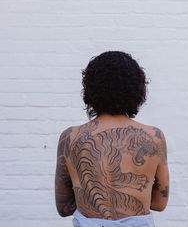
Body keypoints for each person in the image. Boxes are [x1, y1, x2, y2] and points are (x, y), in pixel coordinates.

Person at [55, 51, 169, 227]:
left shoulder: (70, 137)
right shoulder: (154, 137)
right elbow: (159, 204)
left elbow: (64, 207)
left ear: (90, 88)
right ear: (137, 89)